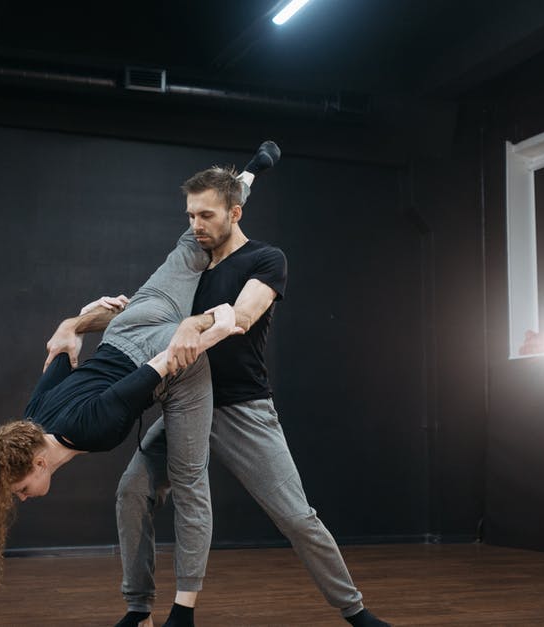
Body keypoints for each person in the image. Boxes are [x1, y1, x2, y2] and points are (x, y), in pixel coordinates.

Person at [52, 142, 392, 627]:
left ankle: (355, 611)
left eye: (206, 216)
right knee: (132, 492)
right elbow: (137, 314)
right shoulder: (193, 256)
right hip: (184, 401)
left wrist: (195, 324)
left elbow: (246, 315)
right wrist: (73, 325)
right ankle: (138, 608)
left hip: (240, 407)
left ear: (234, 214)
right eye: (189, 216)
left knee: (297, 517)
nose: (195, 226)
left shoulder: (265, 259)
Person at [0, 157, 269, 627]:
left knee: (190, 482)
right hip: (130, 325)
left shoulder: (88, 431)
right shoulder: (33, 417)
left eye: (20, 489)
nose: (23, 497)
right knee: (190, 244)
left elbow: (153, 372)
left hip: (159, 354)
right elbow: (61, 358)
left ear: (37, 464)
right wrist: (73, 323)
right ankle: (249, 175)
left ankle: (181, 614)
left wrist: (207, 329)